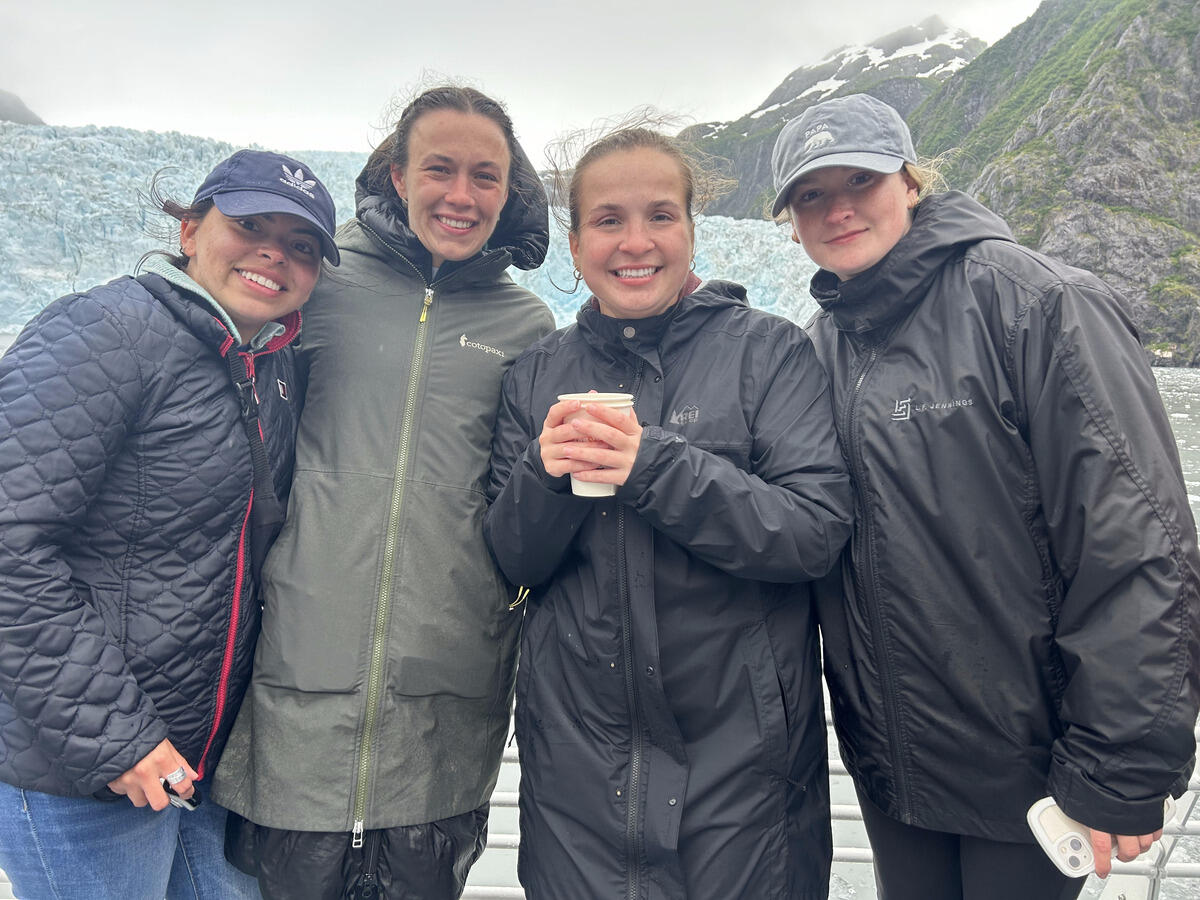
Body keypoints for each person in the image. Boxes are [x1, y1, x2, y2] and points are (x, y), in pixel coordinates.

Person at [771, 92, 1200, 900]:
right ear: (791, 223)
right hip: (894, 766)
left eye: (860, 179)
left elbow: (1139, 539)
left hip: (1032, 770)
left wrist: (1125, 759)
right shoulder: (821, 346)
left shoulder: (1035, 303)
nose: (837, 208)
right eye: (810, 194)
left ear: (911, 182)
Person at [483, 125, 854, 900]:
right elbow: (514, 563)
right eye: (608, 220)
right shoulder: (535, 375)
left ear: (691, 230)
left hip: (744, 782)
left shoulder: (771, 355)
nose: (635, 242)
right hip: (577, 784)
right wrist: (545, 477)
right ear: (575, 245)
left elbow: (813, 532)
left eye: (660, 215)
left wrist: (653, 466)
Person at [213, 85, 556, 899]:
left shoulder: (527, 327)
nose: (461, 195)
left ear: (508, 191)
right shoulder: (316, 286)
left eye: (485, 175)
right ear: (398, 175)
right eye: (439, 168)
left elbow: (523, 516)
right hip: (294, 694)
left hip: (443, 710)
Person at [0, 148, 339, 899]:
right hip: (81, 771)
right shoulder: (106, 332)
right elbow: (10, 545)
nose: (273, 253)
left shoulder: (268, 365)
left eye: (301, 244)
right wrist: (118, 738)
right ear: (189, 231)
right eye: (250, 225)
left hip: (200, 764)